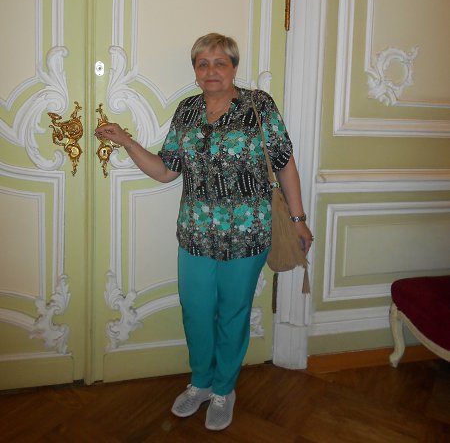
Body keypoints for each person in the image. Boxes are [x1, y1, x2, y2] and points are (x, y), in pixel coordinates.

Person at [95, 33, 313, 431]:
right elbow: (166, 170)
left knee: (233, 312)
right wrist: (126, 141)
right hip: (195, 232)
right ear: (195, 71)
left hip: (248, 232)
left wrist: (299, 220)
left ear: (233, 68)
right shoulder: (187, 111)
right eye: (203, 64)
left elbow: (285, 164)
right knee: (195, 311)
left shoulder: (259, 105)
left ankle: (224, 389)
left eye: (220, 63)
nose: (211, 71)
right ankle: (200, 382)